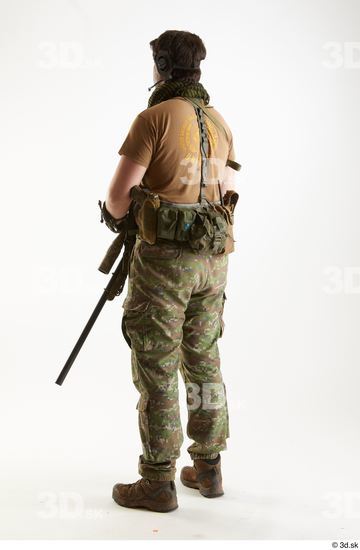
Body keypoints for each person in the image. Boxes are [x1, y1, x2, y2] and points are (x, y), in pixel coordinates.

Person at [101, 30, 241, 513]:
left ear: (161, 65)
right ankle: (208, 468)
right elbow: (227, 190)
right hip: (213, 263)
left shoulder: (153, 118)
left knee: (157, 364)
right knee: (203, 361)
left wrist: (124, 215)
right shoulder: (219, 121)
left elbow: (119, 197)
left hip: (165, 267)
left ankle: (158, 481)